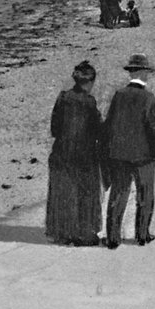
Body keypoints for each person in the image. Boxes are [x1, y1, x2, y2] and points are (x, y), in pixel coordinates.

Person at [102, 54, 155, 248]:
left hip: (119, 153)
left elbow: (109, 124)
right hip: (143, 155)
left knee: (119, 194)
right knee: (145, 195)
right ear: (143, 73)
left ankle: (112, 238)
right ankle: (142, 235)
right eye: (146, 73)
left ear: (130, 73)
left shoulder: (119, 95)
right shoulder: (148, 98)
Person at [45, 61, 104, 246]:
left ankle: (63, 233)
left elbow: (54, 128)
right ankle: (85, 234)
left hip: (62, 152)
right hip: (84, 154)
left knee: (63, 194)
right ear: (90, 82)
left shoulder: (63, 98)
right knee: (86, 194)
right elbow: (97, 130)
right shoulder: (89, 102)